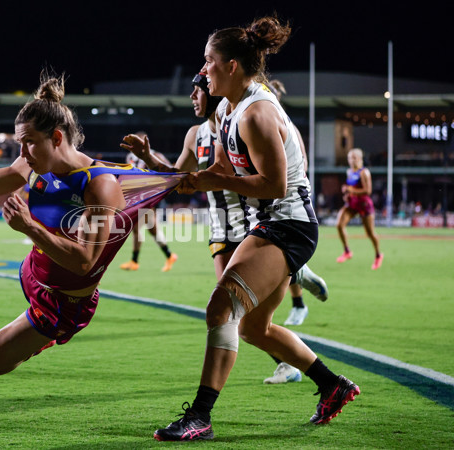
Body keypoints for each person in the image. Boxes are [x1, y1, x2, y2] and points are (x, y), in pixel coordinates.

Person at [152, 17, 359, 441]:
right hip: (270, 223)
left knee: (220, 309)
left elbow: (275, 184)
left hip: (288, 225)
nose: (203, 69)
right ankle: (332, 385)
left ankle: (200, 417)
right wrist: (199, 178)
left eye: (208, 62)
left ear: (231, 66)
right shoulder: (230, 108)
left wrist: (214, 180)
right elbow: (226, 167)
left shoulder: (257, 113)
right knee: (252, 329)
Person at [0, 73, 183, 378]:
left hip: (62, 304)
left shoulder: (98, 186)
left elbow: (84, 262)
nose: (21, 154)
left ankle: (42, 339)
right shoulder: (32, 165)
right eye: (20, 143)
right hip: (32, 274)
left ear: (56, 138)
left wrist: (30, 227)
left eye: (29, 143)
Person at [122, 73, 328, 387]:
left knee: (228, 312)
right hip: (220, 230)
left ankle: (206, 408)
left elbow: (287, 177)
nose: (192, 96)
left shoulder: (248, 122)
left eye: (197, 89)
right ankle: (302, 360)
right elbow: (181, 178)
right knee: (241, 318)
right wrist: (149, 158)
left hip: (255, 227)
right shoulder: (196, 134)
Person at [268, 79, 328, 329]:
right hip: (271, 197)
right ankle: (300, 284)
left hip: (283, 198)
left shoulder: (281, 123)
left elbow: (300, 162)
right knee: (277, 255)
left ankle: (298, 304)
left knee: (280, 253)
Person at [120, 131, 178, 272]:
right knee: (152, 230)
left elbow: (169, 170)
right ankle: (169, 255)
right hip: (137, 196)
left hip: (147, 197)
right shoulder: (130, 155)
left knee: (136, 228)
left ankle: (134, 261)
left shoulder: (154, 155)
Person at [336, 148, 383, 269]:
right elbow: (350, 187)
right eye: (350, 158)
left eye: (354, 158)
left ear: (360, 159)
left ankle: (378, 255)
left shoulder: (364, 172)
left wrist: (351, 190)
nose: (351, 160)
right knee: (339, 224)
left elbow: (368, 191)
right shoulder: (349, 171)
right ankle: (347, 251)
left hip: (364, 204)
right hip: (352, 203)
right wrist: (346, 193)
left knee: (370, 233)